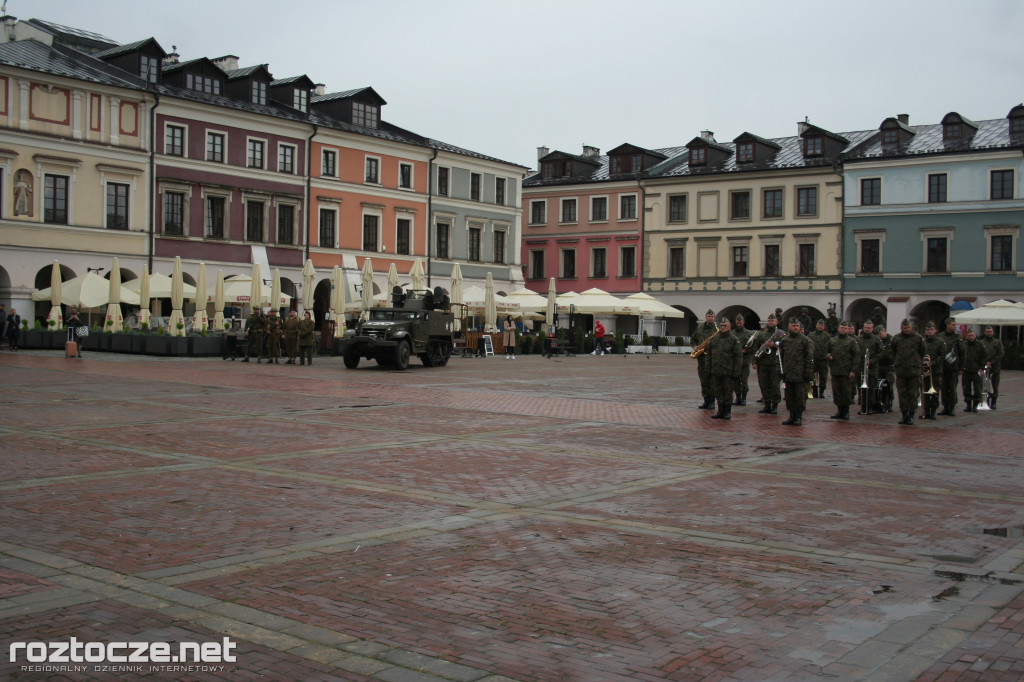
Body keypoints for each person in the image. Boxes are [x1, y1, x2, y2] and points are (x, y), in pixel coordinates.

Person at [892, 318, 927, 425]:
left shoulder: (918, 338)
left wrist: (919, 365)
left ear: (911, 328)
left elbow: (923, 352)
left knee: (913, 394)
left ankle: (911, 415)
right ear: (901, 328)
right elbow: (893, 352)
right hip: (901, 371)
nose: (907, 329)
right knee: (902, 394)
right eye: (905, 328)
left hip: (914, 371)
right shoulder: (897, 338)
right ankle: (904, 415)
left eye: (908, 327)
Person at [779, 317, 813, 426]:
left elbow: (809, 357)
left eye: (797, 326)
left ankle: (798, 417)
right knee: (789, 396)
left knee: (799, 396)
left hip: (800, 374)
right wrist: (780, 370)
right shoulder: (785, 340)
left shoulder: (804, 340)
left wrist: (808, 372)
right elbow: (780, 357)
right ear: (789, 327)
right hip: (788, 373)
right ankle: (791, 416)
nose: (795, 327)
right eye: (793, 326)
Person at [707, 317, 741, 420]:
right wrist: (708, 369)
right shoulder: (715, 339)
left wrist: (736, 372)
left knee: (727, 392)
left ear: (729, 327)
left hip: (728, 371)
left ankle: (727, 411)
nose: (722, 328)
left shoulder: (733, 340)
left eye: (725, 326)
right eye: (721, 326)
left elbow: (738, 357)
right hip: (716, 371)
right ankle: (720, 410)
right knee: (718, 391)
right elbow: (709, 356)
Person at [827, 320, 860, 420]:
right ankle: (839, 411)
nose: (843, 330)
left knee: (846, 392)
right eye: (842, 328)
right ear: (838, 329)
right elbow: (826, 351)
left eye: (845, 328)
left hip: (846, 372)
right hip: (835, 371)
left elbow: (856, 356)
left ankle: (846, 412)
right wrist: (828, 356)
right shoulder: (832, 341)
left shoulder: (851, 341)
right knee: (836, 392)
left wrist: (853, 370)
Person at [751, 313, 782, 414]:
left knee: (774, 386)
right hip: (763, 363)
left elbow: (785, 347)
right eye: (769, 320)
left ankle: (775, 405)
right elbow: (756, 348)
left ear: (776, 322)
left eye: (772, 320)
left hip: (775, 364)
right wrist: (754, 361)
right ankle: (767, 404)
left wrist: (774, 345)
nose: (770, 322)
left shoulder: (780, 334)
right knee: (764, 385)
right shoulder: (762, 334)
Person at [938, 317, 965, 416]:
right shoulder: (940, 336)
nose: (955, 326)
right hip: (943, 367)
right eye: (953, 325)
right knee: (944, 388)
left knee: (952, 388)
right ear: (947, 325)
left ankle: (952, 407)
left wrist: (961, 368)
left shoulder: (957, 337)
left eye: (955, 325)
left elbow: (962, 353)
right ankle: (945, 407)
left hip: (954, 367)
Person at [856, 321, 882, 415]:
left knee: (870, 389)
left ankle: (870, 407)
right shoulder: (858, 339)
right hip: (860, 367)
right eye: (865, 327)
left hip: (872, 368)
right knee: (861, 389)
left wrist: (872, 361)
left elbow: (881, 353)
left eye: (869, 328)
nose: (867, 329)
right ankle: (863, 407)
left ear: (872, 328)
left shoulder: (876, 339)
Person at [921, 321, 945, 420]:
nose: (929, 332)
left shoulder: (940, 342)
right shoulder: (922, 342)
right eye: (927, 330)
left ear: (935, 330)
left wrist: (933, 363)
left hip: (936, 371)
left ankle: (933, 410)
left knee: (934, 392)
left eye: (931, 330)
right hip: (925, 371)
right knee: (925, 392)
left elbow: (942, 355)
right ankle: (926, 411)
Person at [693, 309, 717, 409]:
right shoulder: (699, 328)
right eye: (708, 316)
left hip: (712, 361)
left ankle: (712, 402)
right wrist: (695, 346)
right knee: (704, 381)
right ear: (706, 317)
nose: (710, 318)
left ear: (714, 317)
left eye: (712, 316)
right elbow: (693, 339)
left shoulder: (716, 330)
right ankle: (706, 401)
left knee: (712, 382)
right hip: (701, 360)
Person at [733, 313, 755, 406]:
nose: (739, 323)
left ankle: (744, 398)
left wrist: (747, 350)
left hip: (745, 361)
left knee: (744, 381)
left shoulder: (749, 334)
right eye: (737, 322)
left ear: (743, 322)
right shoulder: (731, 333)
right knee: (735, 381)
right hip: (735, 362)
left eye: (740, 322)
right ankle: (738, 398)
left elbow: (753, 347)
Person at [961, 329, 986, 412]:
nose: (971, 337)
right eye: (969, 335)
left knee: (977, 389)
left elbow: (983, 356)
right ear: (966, 336)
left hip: (976, 370)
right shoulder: (963, 345)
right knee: (966, 388)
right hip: (966, 370)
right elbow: (960, 356)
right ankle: (968, 404)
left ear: (975, 335)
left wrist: (982, 367)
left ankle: (975, 405)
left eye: (972, 335)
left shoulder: (980, 344)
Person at [979, 325, 1004, 409]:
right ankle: (985, 401)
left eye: (991, 332)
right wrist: (985, 363)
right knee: (984, 384)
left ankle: (994, 401)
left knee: (994, 384)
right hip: (984, 366)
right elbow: (979, 354)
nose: (989, 333)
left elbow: (1001, 354)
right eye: (988, 332)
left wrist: (991, 362)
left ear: (993, 332)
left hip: (995, 367)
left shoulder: (997, 342)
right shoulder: (981, 342)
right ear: (985, 332)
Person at [874, 326, 895, 413]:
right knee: (879, 385)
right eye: (877, 334)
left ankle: (889, 403)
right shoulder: (877, 341)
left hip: (889, 366)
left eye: (880, 334)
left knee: (889, 385)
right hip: (879, 366)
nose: (879, 336)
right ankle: (880, 402)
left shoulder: (891, 341)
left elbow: (891, 353)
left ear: (884, 331)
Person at [808, 319, 831, 398]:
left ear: (824, 326)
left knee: (823, 377)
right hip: (813, 359)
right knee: (812, 376)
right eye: (819, 325)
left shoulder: (827, 336)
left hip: (823, 360)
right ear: (816, 325)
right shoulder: (811, 335)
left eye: (822, 325)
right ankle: (813, 392)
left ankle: (821, 392)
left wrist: (828, 355)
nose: (820, 326)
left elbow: (830, 347)